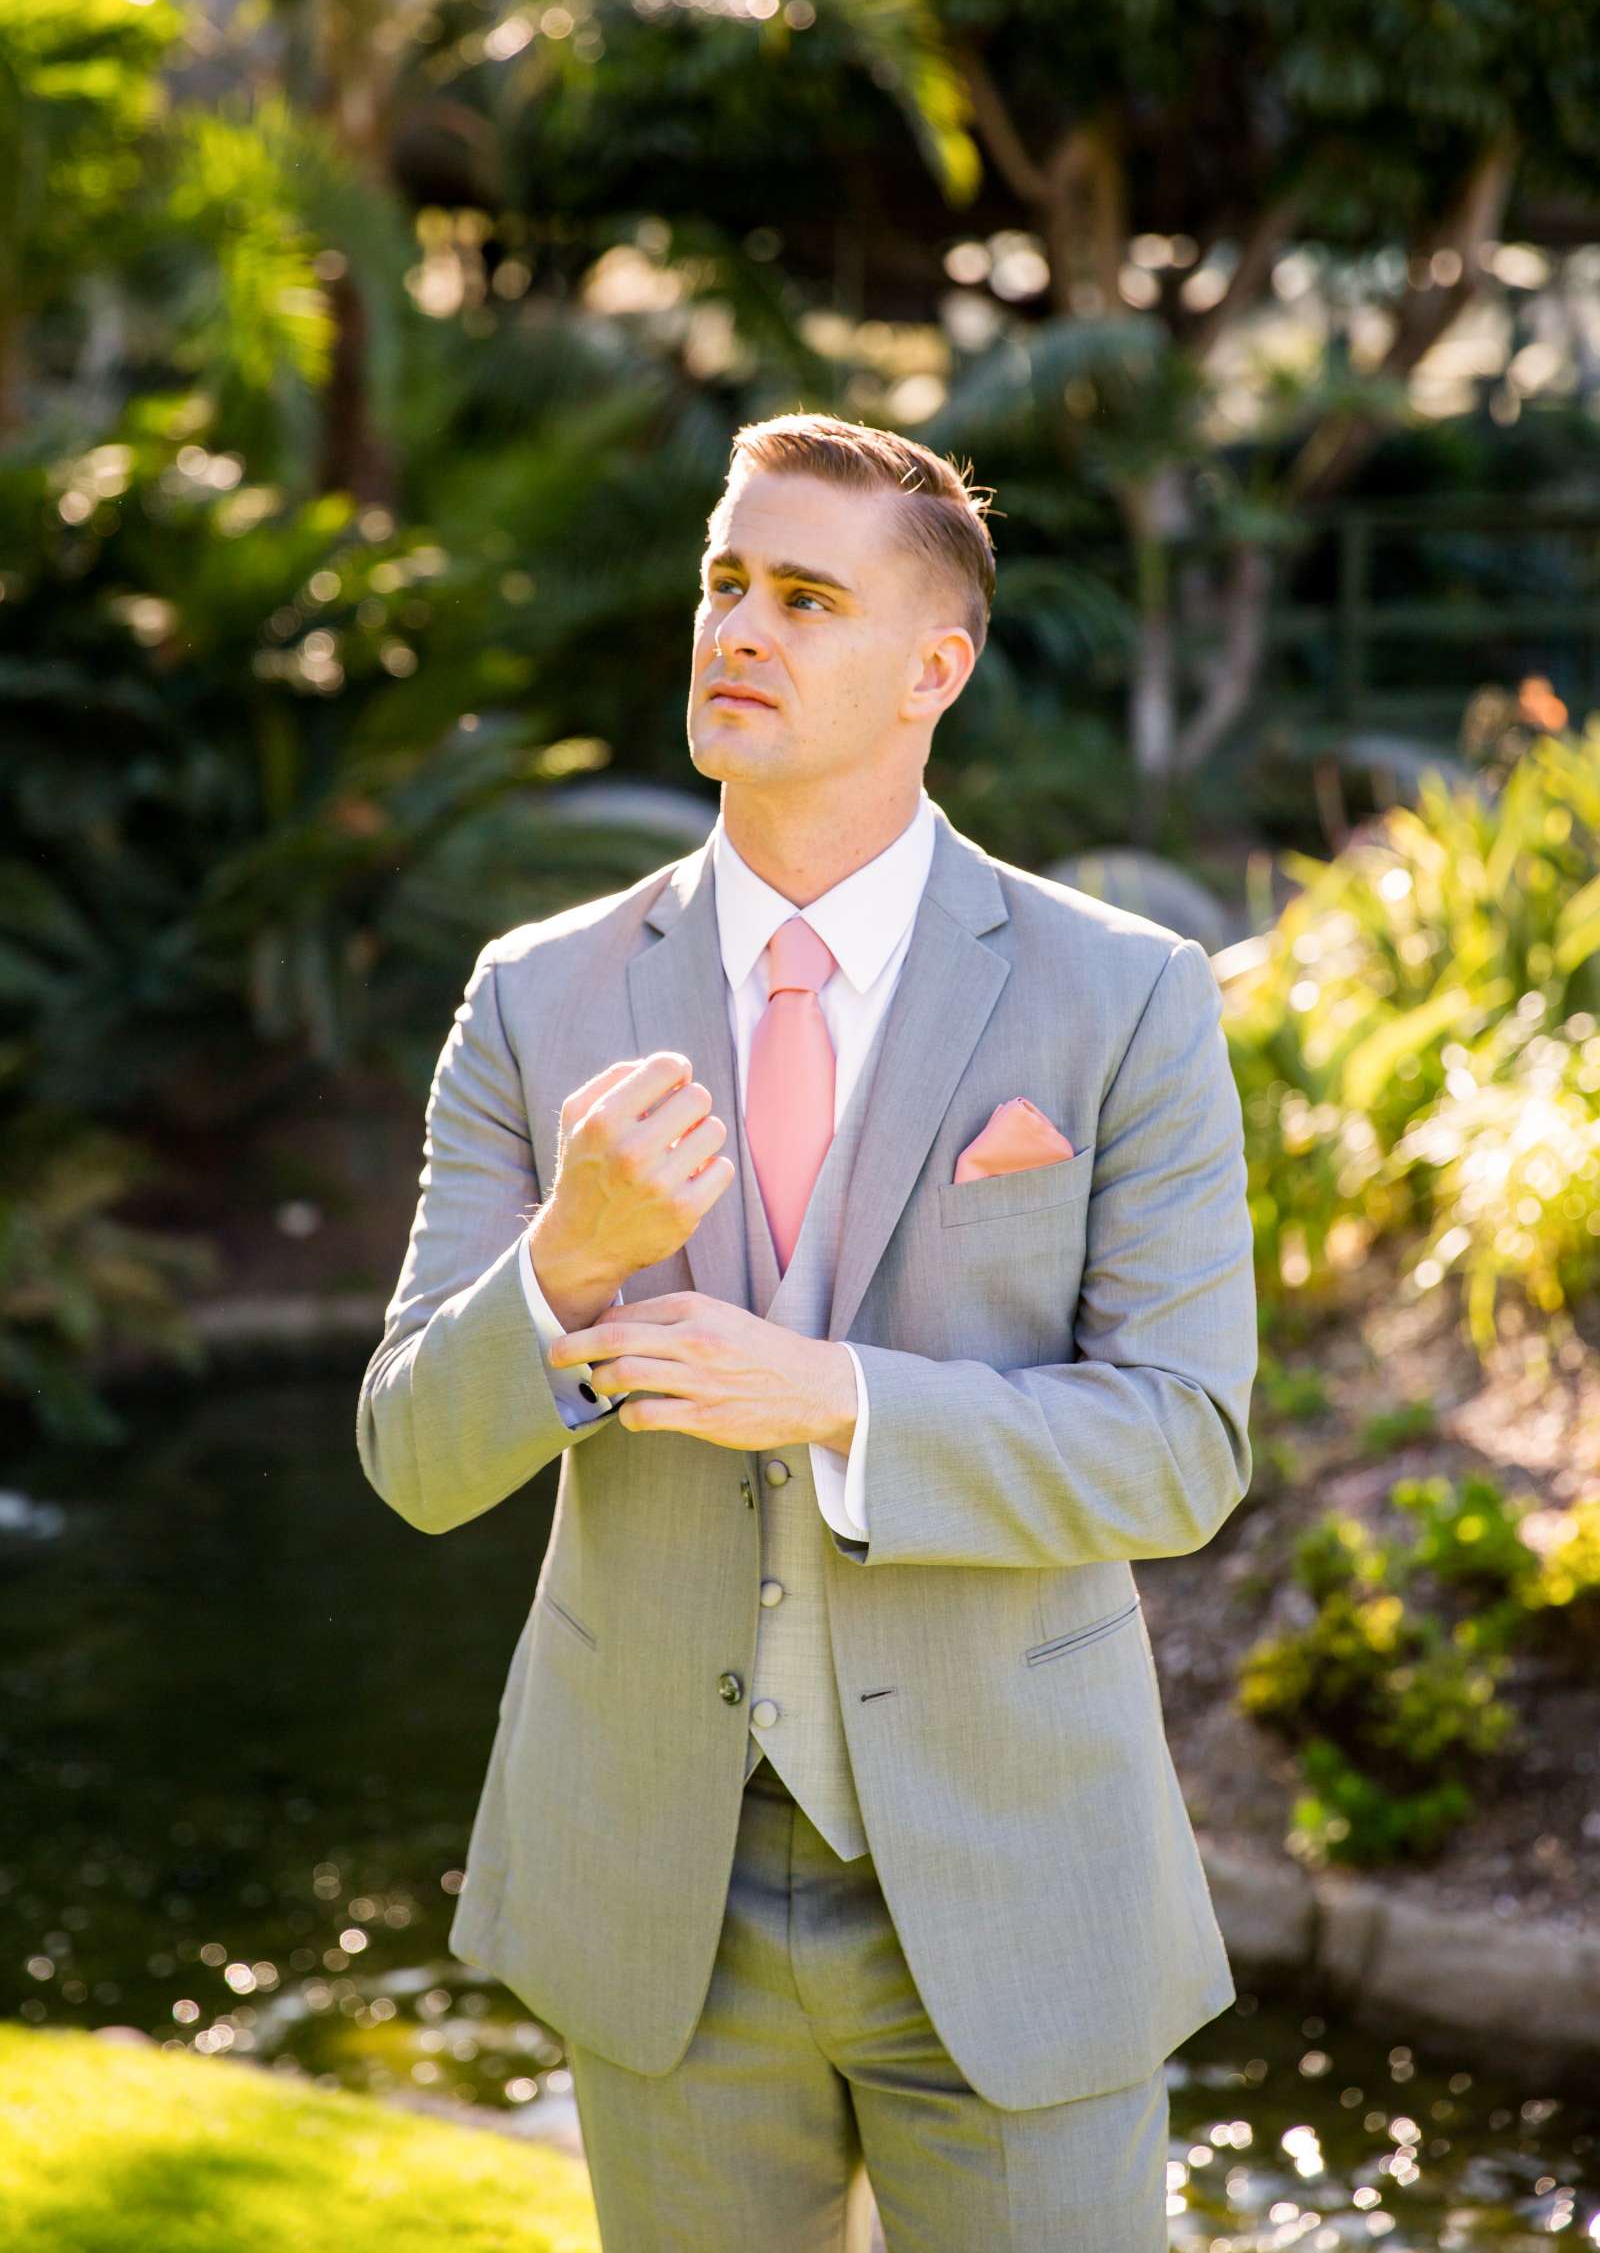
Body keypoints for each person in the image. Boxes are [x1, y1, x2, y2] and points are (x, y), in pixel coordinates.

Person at [357, 411, 1258, 2251]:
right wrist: (569, 1258)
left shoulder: (1125, 996)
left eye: (804, 596)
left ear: (938, 665)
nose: (737, 628)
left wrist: (836, 1401)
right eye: (724, 581)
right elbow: (413, 1457)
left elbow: (1184, 1446)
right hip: (656, 1892)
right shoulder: (538, 998)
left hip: (1021, 1877)